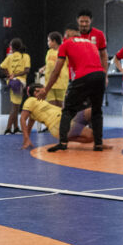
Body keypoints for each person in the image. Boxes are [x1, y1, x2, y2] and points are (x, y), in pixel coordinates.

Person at [36, 24, 105, 152]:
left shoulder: (66, 44)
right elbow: (101, 58)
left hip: (83, 77)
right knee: (97, 110)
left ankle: (62, 142)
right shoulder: (91, 43)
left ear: (66, 35)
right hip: (100, 76)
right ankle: (98, 144)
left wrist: (46, 89)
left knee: (67, 110)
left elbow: (57, 70)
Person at [20, 84, 94, 149]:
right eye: (43, 89)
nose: (46, 90)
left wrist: (26, 139)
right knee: (92, 136)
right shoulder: (30, 100)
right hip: (57, 124)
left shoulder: (41, 103)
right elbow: (22, 119)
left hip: (67, 118)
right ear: (36, 92)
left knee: (92, 111)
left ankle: (65, 138)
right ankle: (64, 137)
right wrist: (26, 140)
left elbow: (29, 127)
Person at [0, 38, 30, 134]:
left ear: (12, 47)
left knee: (15, 106)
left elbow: (1, 67)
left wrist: (9, 75)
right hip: (19, 83)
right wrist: (16, 75)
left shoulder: (10, 57)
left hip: (12, 83)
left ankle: (16, 128)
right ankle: (8, 129)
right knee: (15, 107)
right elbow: (27, 70)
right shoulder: (25, 56)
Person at [39, 32, 69, 108]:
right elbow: (49, 63)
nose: (47, 43)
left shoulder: (64, 51)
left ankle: (60, 120)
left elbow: (69, 64)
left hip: (60, 83)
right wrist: (43, 68)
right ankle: (53, 120)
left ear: (54, 41)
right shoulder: (49, 52)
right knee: (51, 105)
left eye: (49, 41)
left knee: (60, 105)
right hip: (49, 83)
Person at [76, 8, 109, 77]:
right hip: (77, 74)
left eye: (86, 21)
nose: (84, 24)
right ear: (77, 21)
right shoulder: (71, 35)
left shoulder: (99, 34)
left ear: (91, 21)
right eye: (81, 21)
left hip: (94, 73)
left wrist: (105, 75)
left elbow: (104, 56)